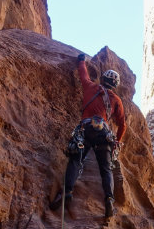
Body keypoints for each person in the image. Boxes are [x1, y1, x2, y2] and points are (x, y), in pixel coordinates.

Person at [49, 53, 126, 218]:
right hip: (104, 135)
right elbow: (122, 125)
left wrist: (81, 60)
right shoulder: (116, 101)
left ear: (103, 79)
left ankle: (67, 193)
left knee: (76, 160)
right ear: (116, 85)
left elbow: (83, 73)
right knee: (106, 169)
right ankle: (109, 201)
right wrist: (117, 142)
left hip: (85, 130)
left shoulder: (91, 87)